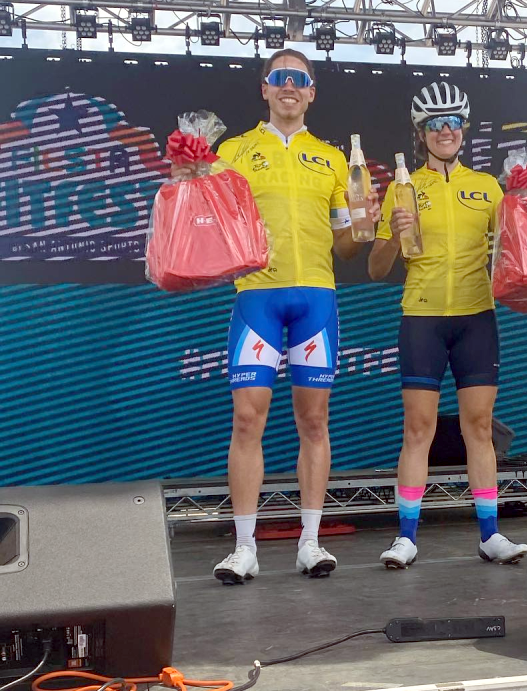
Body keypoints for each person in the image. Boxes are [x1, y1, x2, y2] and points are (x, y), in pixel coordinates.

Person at [179, 49, 380, 583]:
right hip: (257, 297)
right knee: (248, 420)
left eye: (300, 79)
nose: (289, 86)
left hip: (316, 295)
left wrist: (364, 225)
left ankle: (310, 543)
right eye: (279, 78)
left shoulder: (335, 159)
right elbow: (202, 213)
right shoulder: (235, 150)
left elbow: (348, 249)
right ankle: (244, 547)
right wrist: (187, 173)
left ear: (312, 93)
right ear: (264, 89)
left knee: (314, 421)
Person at [367, 82, 527, 568]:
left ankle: (490, 534)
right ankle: (406, 537)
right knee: (417, 428)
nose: (445, 131)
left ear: (463, 129)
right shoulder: (404, 188)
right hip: (421, 316)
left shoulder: (487, 187)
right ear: (421, 133)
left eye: (453, 123)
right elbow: (376, 269)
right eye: (435, 124)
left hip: (476, 317)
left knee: (478, 427)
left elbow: (517, 249)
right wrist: (393, 238)